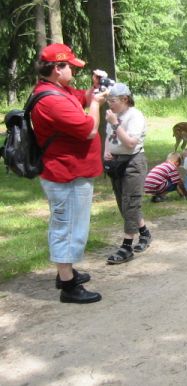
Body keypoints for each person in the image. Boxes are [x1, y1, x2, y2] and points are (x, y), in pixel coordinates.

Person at [30, 43, 106, 304]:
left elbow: (80, 98)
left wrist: (94, 90)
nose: (74, 70)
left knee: (70, 225)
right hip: (66, 175)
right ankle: (68, 286)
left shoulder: (56, 90)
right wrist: (96, 104)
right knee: (67, 228)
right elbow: (89, 129)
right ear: (57, 68)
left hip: (71, 171)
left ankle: (66, 271)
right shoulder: (51, 100)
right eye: (70, 67)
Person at [103, 83, 152, 265]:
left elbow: (130, 143)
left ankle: (126, 246)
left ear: (124, 99)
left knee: (131, 202)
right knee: (123, 204)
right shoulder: (113, 115)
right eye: (108, 100)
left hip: (133, 161)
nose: (109, 104)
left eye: (112, 100)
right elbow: (108, 137)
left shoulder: (135, 116)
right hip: (116, 163)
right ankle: (144, 233)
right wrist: (106, 151)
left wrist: (115, 124)